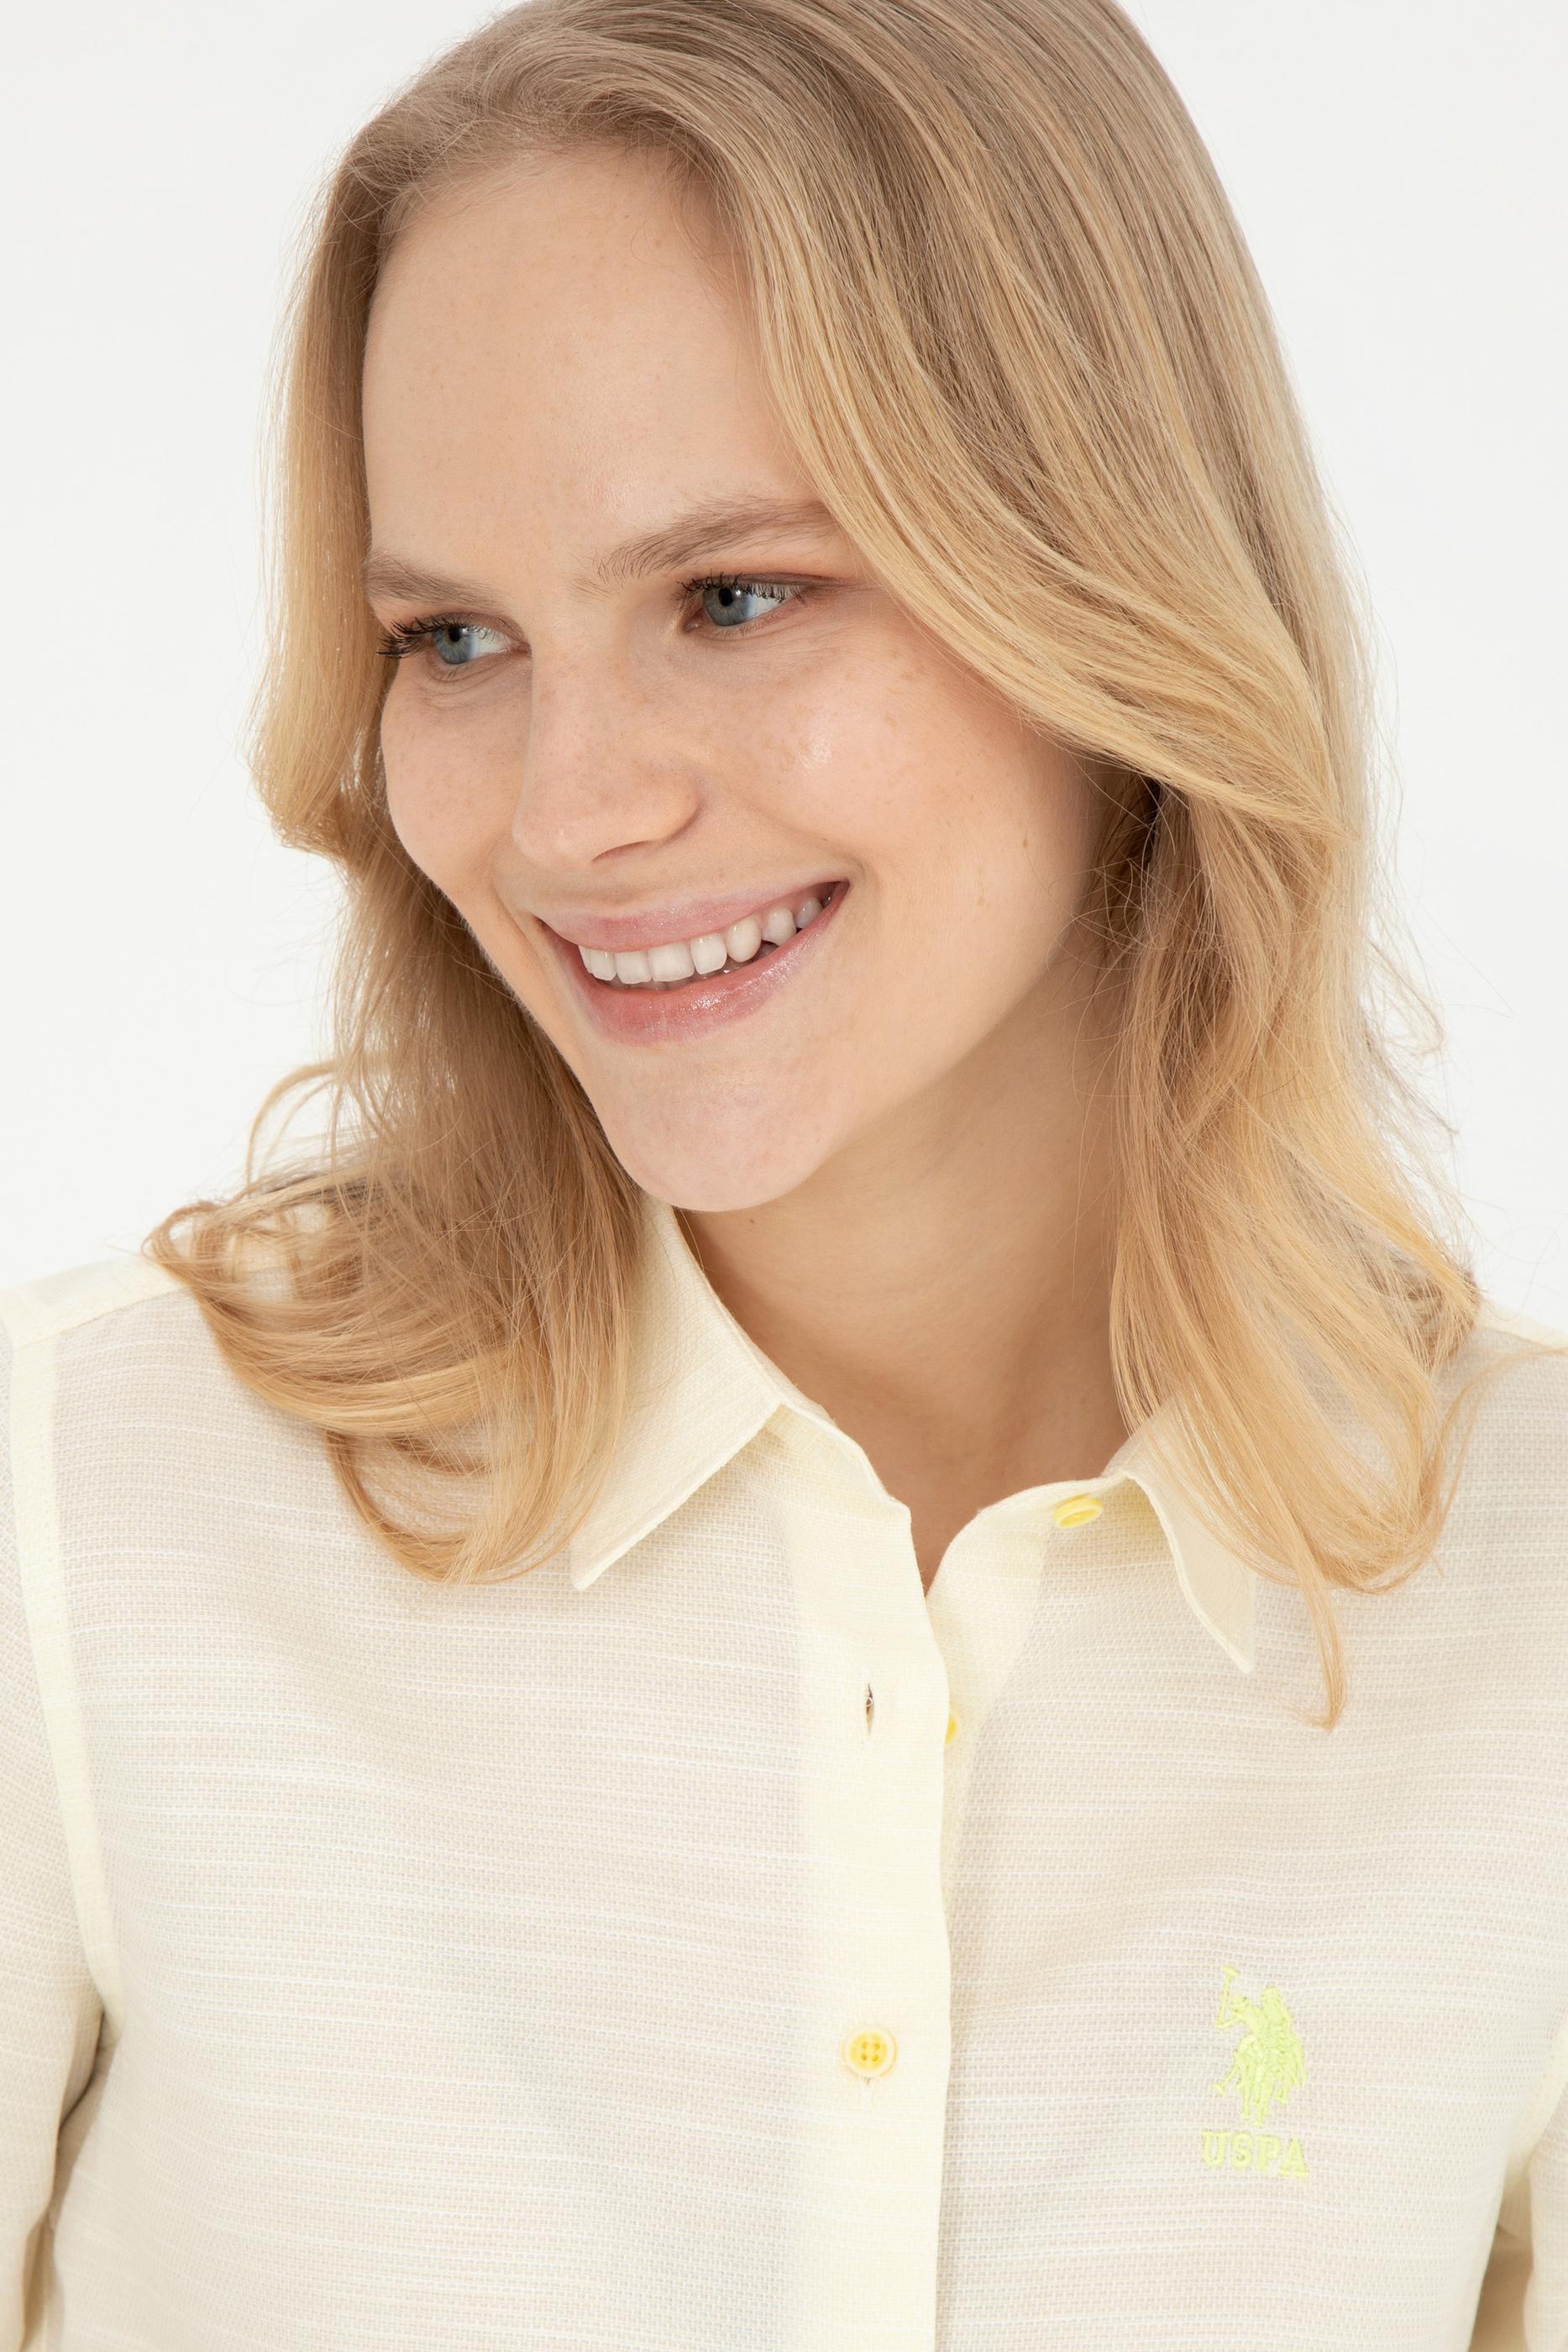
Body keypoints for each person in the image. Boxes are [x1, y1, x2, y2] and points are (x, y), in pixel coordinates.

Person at [3, 0, 1565, 2343]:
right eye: (455, 640)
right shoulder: (83, 1525)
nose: (567, 812)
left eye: (734, 596)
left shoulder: (1526, 1612)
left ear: (1107, 585)